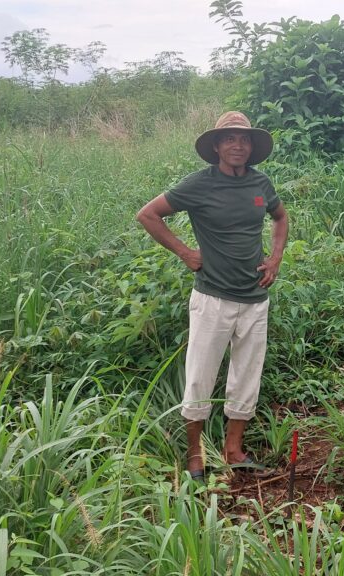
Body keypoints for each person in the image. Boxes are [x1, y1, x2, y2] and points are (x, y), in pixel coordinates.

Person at [136, 111, 289, 480]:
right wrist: (186, 253)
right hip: (213, 299)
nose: (238, 145)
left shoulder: (260, 184)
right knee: (200, 376)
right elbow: (148, 215)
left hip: (255, 298)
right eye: (230, 139)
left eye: (244, 139)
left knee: (247, 376)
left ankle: (234, 451)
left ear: (251, 146)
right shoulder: (199, 185)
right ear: (217, 146)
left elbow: (280, 217)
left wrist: (275, 259)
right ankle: (195, 456)